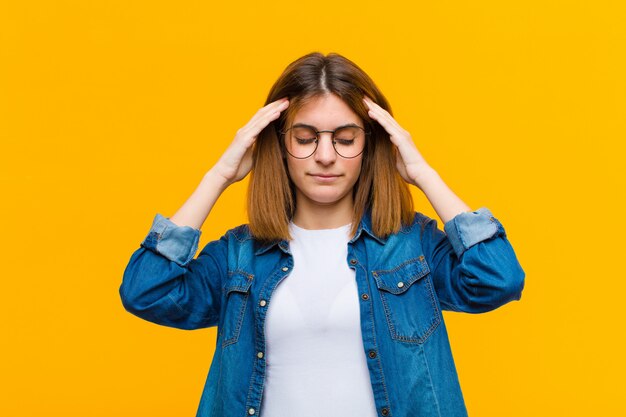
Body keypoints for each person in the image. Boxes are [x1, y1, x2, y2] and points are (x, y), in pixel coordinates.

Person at [119, 52, 525, 417]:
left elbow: (498, 279)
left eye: (346, 139)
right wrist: (219, 175)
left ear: (371, 144)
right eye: (305, 138)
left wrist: (423, 174)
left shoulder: (412, 246)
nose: (326, 156)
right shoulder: (238, 255)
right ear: (279, 145)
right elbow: (145, 291)